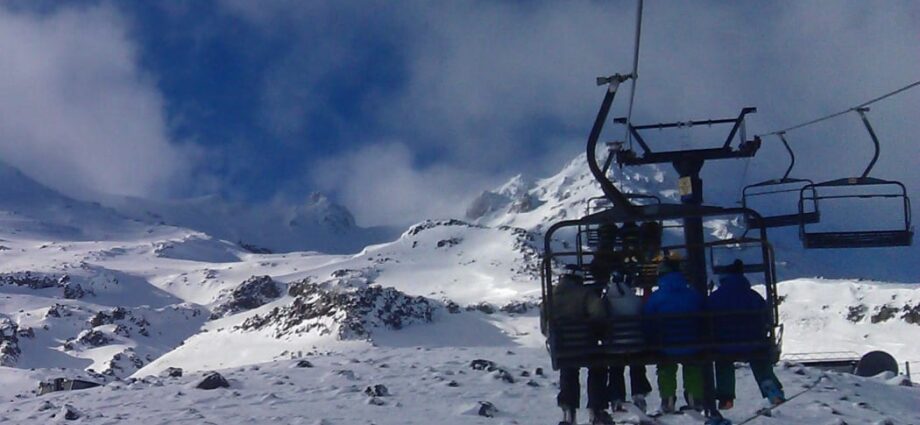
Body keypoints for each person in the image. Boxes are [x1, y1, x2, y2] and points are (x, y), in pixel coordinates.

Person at [707, 260, 785, 409]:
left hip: (725, 344)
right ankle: (770, 387)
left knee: (723, 363)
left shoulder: (716, 297)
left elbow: (708, 319)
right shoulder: (754, 296)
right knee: (759, 360)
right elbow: (766, 318)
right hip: (753, 342)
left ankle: (726, 397)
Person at [642, 257, 705, 413]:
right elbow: (704, 315)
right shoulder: (693, 294)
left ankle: (667, 398)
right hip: (692, 344)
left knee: (666, 366)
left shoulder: (656, 297)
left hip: (666, 345)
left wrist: (651, 342)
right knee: (692, 364)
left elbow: (648, 322)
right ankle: (694, 396)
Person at [553, 273, 613, 425]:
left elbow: (544, 323)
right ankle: (596, 410)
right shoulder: (586, 294)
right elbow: (598, 314)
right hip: (587, 345)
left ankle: (569, 411)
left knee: (568, 370)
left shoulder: (550, 296)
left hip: (563, 348)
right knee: (598, 367)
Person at [605, 279, 652, 412]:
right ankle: (639, 393)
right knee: (637, 363)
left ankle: (616, 397)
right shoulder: (635, 299)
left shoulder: (607, 301)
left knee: (615, 368)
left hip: (615, 346)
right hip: (635, 343)